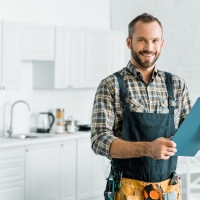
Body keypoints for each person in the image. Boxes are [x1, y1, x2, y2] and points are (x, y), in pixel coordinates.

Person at [91, 13, 191, 200]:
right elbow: (98, 140)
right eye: (142, 40)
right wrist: (147, 149)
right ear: (129, 42)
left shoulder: (177, 85)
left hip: (168, 190)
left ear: (162, 43)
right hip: (126, 191)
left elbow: (189, 134)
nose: (149, 47)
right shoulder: (111, 85)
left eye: (155, 40)